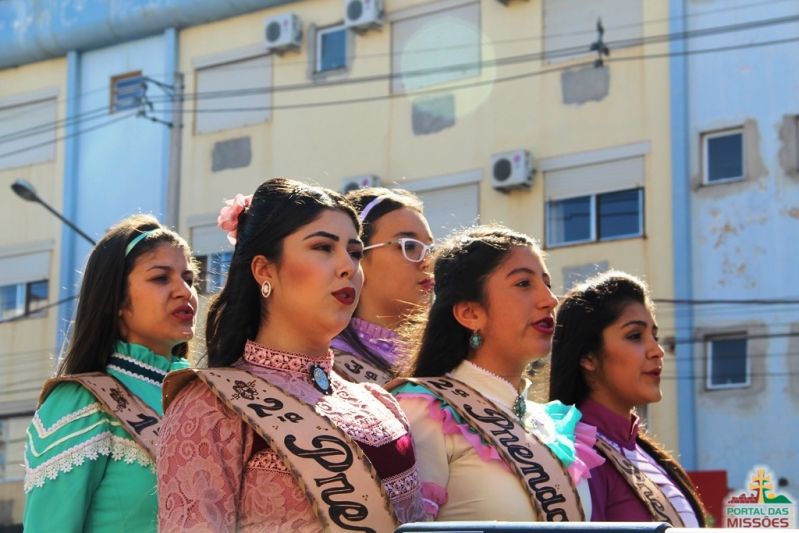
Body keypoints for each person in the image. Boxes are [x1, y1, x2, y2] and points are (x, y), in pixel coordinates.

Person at [157, 178, 425, 532]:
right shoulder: (210, 407)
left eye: (355, 252)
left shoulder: (381, 403)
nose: (347, 266)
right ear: (264, 270)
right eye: (323, 247)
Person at [389, 225, 602, 522]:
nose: (550, 300)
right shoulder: (426, 409)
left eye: (547, 283)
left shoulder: (550, 422)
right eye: (524, 284)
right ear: (470, 314)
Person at [23, 214, 197, 532]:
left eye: (189, 279)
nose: (184, 291)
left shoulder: (206, 395)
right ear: (115, 299)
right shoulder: (83, 400)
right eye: (161, 278)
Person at [549, 270, 707, 526]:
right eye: (635, 336)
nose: (657, 351)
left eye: (654, 336)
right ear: (588, 357)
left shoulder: (647, 454)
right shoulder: (576, 456)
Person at [331, 187, 434, 384]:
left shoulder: (440, 355)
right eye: (409, 246)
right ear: (356, 258)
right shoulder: (328, 364)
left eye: (430, 248)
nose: (428, 262)